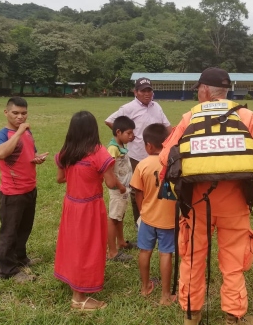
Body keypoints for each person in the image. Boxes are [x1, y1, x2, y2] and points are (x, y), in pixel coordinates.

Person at [160, 68, 253, 325]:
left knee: (192, 257)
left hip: (196, 201)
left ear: (203, 90)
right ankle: (233, 317)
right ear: (226, 91)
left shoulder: (190, 116)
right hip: (235, 200)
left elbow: (164, 157)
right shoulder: (246, 115)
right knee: (233, 261)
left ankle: (192, 315)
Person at [54, 111, 125, 311]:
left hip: (71, 205)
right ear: (93, 129)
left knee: (73, 245)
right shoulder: (99, 152)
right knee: (87, 248)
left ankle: (72, 280)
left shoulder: (66, 151)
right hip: (90, 207)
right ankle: (79, 298)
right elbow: (110, 182)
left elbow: (60, 178)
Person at [0, 97, 48, 283]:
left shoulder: (27, 132)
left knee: (24, 228)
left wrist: (37, 158)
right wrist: (19, 132)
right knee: (9, 231)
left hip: (29, 188)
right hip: (12, 192)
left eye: (23, 113)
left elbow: (28, 154)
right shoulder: (3, 135)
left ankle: (20, 258)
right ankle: (6, 270)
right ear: (6, 112)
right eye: (15, 113)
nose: (20, 117)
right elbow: (0, 153)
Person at [105, 77, 173, 228]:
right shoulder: (128, 108)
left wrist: (173, 142)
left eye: (149, 90)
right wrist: (128, 136)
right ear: (135, 92)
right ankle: (140, 221)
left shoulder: (157, 107)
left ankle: (159, 217)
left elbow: (167, 126)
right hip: (136, 156)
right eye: (143, 91)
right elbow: (110, 120)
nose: (147, 93)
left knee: (158, 185)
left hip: (157, 155)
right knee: (137, 190)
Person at [129, 123, 175, 305]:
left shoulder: (142, 165)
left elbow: (137, 192)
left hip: (147, 217)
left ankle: (145, 287)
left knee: (144, 251)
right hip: (169, 219)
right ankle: (165, 295)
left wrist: (142, 212)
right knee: (166, 254)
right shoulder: (172, 163)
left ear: (148, 145)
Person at [106, 115, 136, 262]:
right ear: (118, 132)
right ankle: (112, 251)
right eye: (128, 133)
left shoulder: (121, 146)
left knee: (120, 216)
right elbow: (109, 171)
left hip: (123, 189)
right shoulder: (113, 149)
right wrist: (120, 186)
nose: (132, 136)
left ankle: (122, 242)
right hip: (119, 190)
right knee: (113, 218)